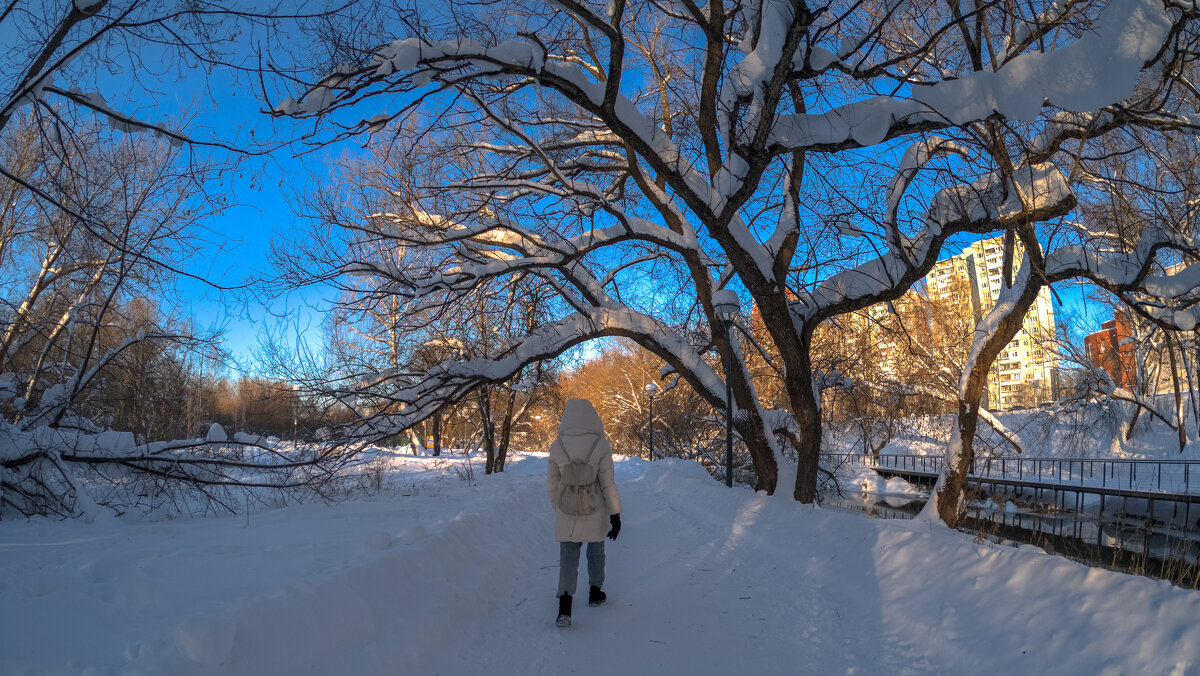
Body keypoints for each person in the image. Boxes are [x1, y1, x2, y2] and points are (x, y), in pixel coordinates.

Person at [546, 399, 621, 628]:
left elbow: (551, 482)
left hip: (567, 509)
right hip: (595, 507)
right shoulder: (601, 445)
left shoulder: (558, 446)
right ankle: (595, 593)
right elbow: (607, 483)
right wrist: (615, 515)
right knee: (596, 553)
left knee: (568, 558)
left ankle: (565, 609)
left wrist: (558, 507)